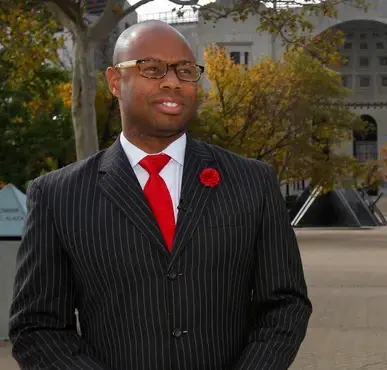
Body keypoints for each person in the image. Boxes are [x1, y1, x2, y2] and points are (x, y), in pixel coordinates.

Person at [9, 20, 312, 370]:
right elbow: (37, 326)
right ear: (114, 81)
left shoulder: (252, 182)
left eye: (185, 70)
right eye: (151, 69)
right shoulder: (58, 196)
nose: (172, 81)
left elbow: (286, 303)